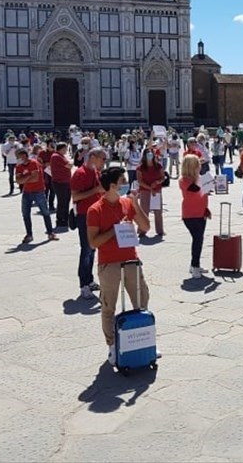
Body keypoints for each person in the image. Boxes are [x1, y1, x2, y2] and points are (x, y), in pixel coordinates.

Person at [86, 167, 151, 367]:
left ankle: (143, 341)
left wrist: (135, 203)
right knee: (108, 306)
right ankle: (113, 345)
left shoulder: (126, 203)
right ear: (112, 186)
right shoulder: (95, 209)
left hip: (131, 260)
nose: (125, 183)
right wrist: (115, 231)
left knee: (142, 300)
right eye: (122, 181)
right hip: (109, 264)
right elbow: (93, 242)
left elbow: (146, 227)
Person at [71, 147, 105, 299]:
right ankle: (83, 284)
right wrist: (95, 190)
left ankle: (89, 279)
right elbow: (76, 196)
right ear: (93, 157)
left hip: (95, 214)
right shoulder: (80, 173)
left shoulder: (96, 172)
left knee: (93, 248)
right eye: (102, 159)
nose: (104, 162)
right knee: (86, 249)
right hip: (84, 215)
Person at [14, 149, 58, 245]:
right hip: (26, 192)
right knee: (25, 214)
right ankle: (29, 234)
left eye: (20, 156)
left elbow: (35, 178)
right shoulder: (18, 166)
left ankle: (50, 233)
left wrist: (24, 179)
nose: (18, 158)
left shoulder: (33, 163)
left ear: (25, 156)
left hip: (38, 191)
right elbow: (18, 181)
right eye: (17, 156)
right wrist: (28, 177)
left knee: (45, 212)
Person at [179, 154, 211, 278]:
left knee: (199, 239)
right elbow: (195, 189)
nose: (200, 167)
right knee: (197, 239)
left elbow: (203, 194)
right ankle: (195, 265)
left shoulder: (198, 178)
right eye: (197, 165)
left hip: (201, 212)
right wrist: (204, 180)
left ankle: (195, 265)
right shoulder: (184, 180)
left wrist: (206, 209)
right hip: (190, 214)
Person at [136, 146, 165, 237]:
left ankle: (160, 230)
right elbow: (140, 181)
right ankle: (142, 230)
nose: (150, 154)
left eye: (151, 153)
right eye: (148, 153)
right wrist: (149, 188)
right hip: (145, 190)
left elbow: (163, 177)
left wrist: (157, 182)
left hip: (157, 191)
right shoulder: (140, 168)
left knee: (158, 211)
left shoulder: (158, 165)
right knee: (144, 211)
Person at [49, 143, 73, 230]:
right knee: (62, 201)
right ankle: (61, 220)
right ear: (61, 148)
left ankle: (65, 219)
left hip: (65, 181)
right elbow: (69, 165)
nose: (66, 151)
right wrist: (71, 162)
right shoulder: (57, 156)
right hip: (60, 182)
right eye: (65, 149)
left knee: (66, 201)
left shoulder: (60, 156)